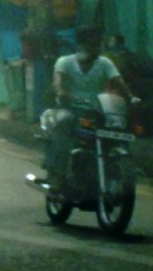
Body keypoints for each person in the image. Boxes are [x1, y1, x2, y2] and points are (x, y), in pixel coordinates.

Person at [46, 25, 138, 187]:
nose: (97, 47)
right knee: (63, 122)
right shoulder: (65, 62)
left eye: (98, 43)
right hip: (70, 108)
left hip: (97, 110)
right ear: (82, 44)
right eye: (93, 43)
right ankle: (57, 173)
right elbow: (57, 82)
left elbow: (119, 82)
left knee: (116, 131)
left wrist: (130, 98)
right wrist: (61, 93)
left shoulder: (105, 63)